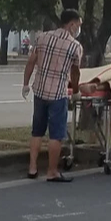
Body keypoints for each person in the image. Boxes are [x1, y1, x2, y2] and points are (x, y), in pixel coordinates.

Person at [21, 10, 84, 182]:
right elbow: (75, 72)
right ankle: (52, 171)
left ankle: (32, 168)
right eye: (78, 25)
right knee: (56, 135)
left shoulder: (42, 38)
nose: (78, 29)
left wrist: (26, 84)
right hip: (58, 94)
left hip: (40, 91)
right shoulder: (75, 46)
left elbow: (31, 62)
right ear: (71, 24)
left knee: (37, 131)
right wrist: (76, 90)